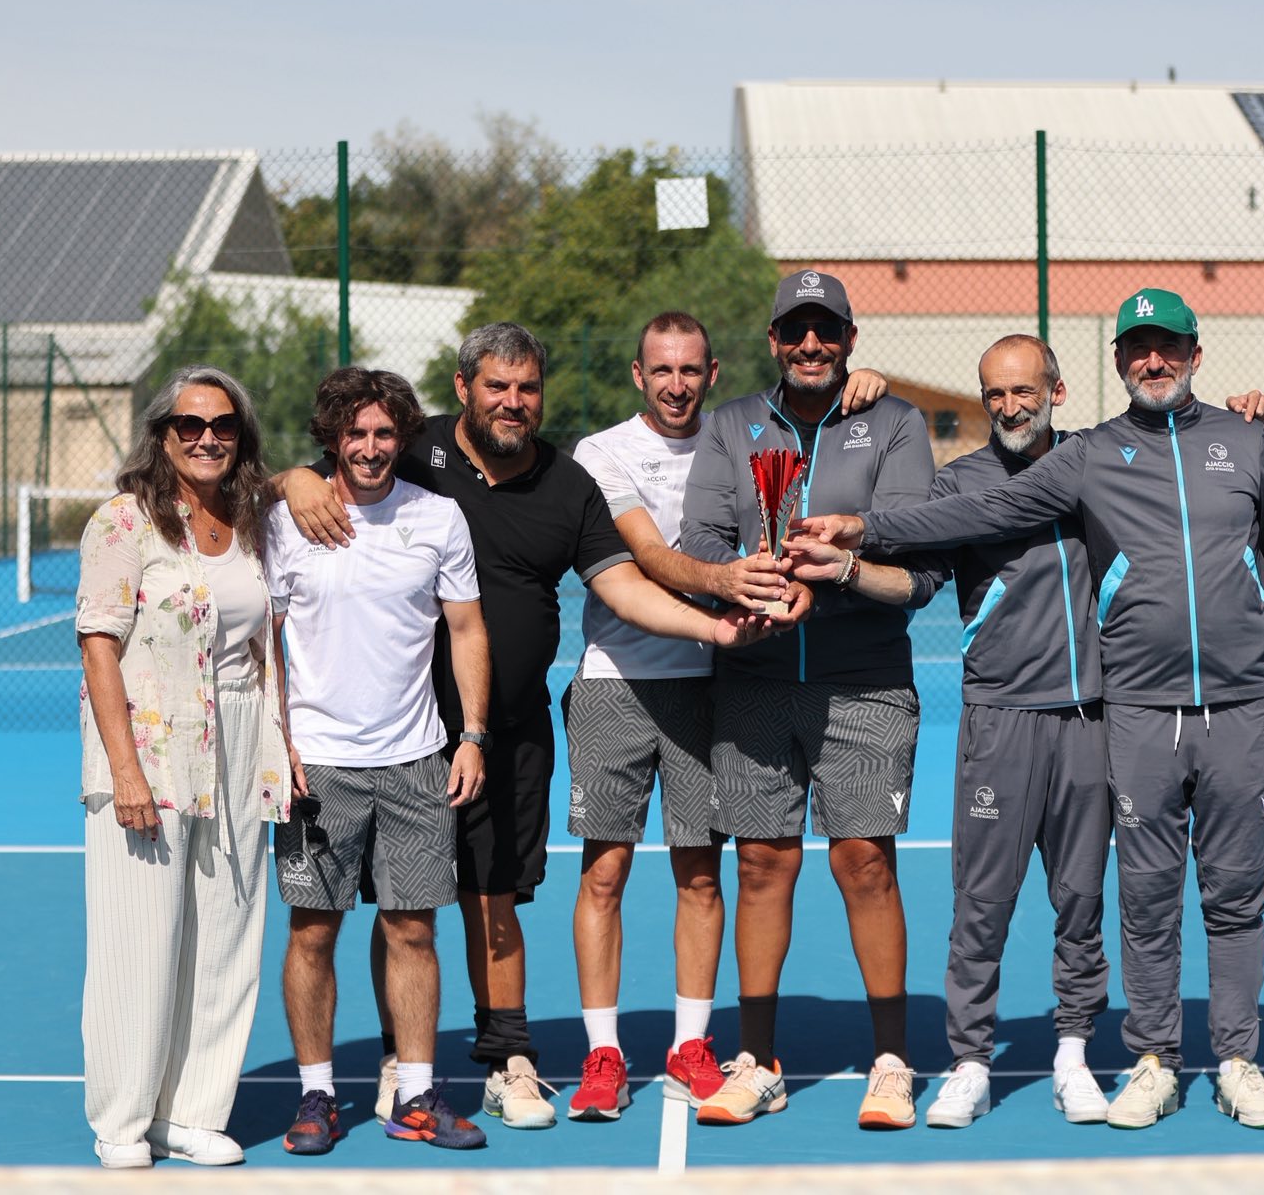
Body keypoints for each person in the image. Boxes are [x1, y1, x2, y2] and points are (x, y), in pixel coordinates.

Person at [799, 288, 1264, 1132]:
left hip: (1170, 713)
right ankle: (1060, 1060)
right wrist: (864, 530)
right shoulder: (1046, 465)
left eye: (1169, 346)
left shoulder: (1180, 448)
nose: (1156, 360)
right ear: (1118, 362)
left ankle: (1169, 1056)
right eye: (1140, 348)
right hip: (1069, 715)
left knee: (1164, 900)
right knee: (1057, 901)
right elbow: (974, 512)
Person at [275, 322, 775, 1132]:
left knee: (495, 894)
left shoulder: (567, 483)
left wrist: (715, 628)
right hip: (399, 735)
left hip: (504, 730)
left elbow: (617, 582)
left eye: (528, 388)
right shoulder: (413, 448)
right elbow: (338, 459)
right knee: (402, 910)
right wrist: (291, 480)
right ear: (464, 385)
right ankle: (404, 1063)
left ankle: (508, 1057)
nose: (514, 402)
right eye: (498, 386)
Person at [561, 312, 871, 1120]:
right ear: (638, 375)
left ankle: (691, 1045)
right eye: (661, 370)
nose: (676, 385)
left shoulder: (734, 439)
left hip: (715, 687)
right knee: (605, 870)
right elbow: (647, 556)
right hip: (616, 682)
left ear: (712, 371)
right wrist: (730, 583)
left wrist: (864, 390)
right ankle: (602, 1053)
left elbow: (818, 426)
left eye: (691, 371)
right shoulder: (602, 453)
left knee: (701, 871)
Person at [679, 269, 945, 1130]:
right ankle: (758, 1060)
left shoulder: (895, 423)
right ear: (772, 342)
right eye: (795, 330)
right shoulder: (730, 426)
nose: (810, 345)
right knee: (760, 864)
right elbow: (704, 539)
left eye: (825, 330)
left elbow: (910, 544)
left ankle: (893, 1061)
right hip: (755, 678)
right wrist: (750, 585)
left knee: (864, 860)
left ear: (849, 338)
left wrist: (827, 580)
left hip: (864, 680)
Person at [266, 368, 489, 1156]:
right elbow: (267, 642)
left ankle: (419, 1096)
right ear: (330, 438)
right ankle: (318, 1097)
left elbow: (465, 629)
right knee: (313, 934)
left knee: (414, 930)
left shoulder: (439, 518)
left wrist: (473, 734)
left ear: (404, 437)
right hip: (315, 769)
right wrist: (277, 739)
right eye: (354, 434)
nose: (370, 448)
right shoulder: (286, 518)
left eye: (385, 433)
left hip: (418, 761)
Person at [76, 365, 291, 1169]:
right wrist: (126, 772)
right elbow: (99, 646)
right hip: (153, 747)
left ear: (242, 437)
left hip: (242, 743)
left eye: (224, 425)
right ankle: (124, 1120)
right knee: (140, 940)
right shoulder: (124, 523)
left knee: (229, 933)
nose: (207, 438)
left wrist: (283, 745)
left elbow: (269, 646)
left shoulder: (255, 520)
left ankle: (195, 1111)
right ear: (162, 435)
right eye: (190, 425)